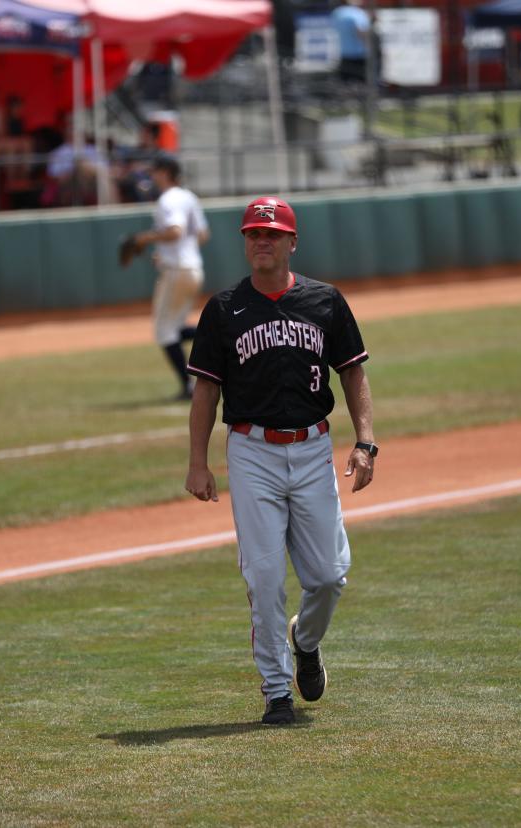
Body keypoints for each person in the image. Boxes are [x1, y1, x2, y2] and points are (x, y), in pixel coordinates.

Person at [183, 196, 378, 726]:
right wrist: (198, 462)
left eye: (271, 234)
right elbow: (205, 392)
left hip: (314, 449)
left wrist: (365, 441)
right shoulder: (223, 310)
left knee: (330, 575)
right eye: (252, 234)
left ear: (292, 242)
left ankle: (305, 640)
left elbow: (352, 372)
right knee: (264, 578)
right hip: (251, 452)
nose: (260, 242)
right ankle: (275, 693)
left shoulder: (325, 301)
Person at [128, 156, 209, 399]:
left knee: (164, 331)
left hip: (177, 270)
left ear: (165, 172)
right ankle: (216, 333)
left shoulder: (168, 199)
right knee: (174, 328)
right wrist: (168, 251)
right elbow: (203, 234)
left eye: (155, 171)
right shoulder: (188, 196)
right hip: (193, 268)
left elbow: (175, 231)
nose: (152, 175)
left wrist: (145, 238)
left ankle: (188, 386)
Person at [331, 0, 372, 84]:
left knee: (345, 83)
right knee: (361, 82)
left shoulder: (337, 13)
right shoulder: (358, 13)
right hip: (359, 53)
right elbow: (361, 32)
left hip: (344, 53)